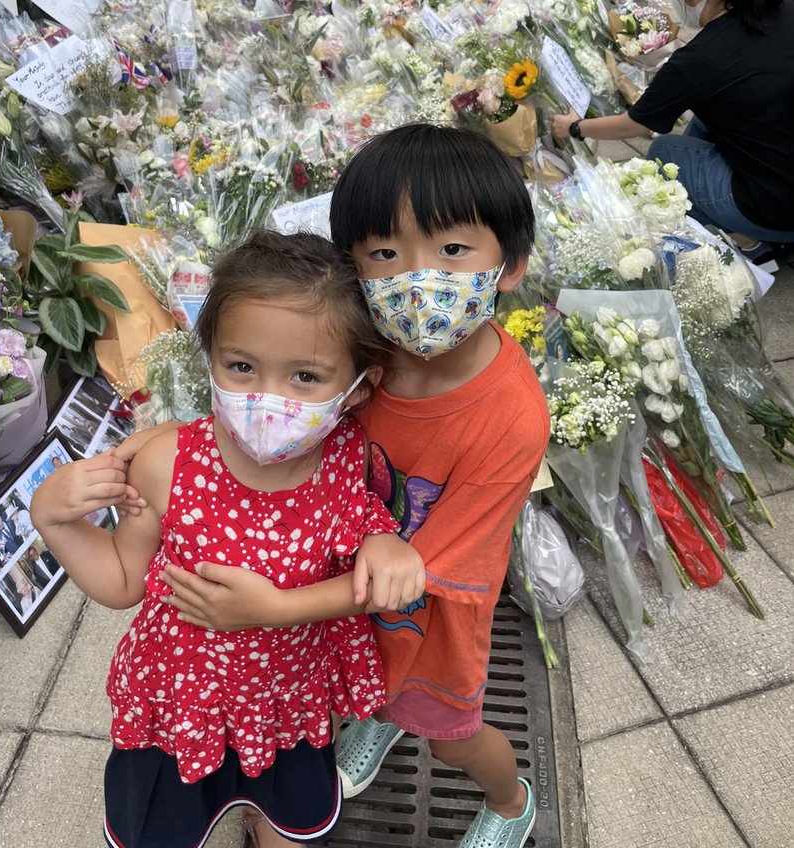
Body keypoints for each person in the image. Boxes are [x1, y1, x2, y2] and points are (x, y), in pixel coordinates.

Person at [149, 125, 551, 848]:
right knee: (359, 685)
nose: (417, 277)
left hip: (429, 622)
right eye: (385, 254)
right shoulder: (364, 353)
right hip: (343, 594)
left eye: (452, 251)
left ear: (512, 263)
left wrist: (273, 609)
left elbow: (433, 571)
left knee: (451, 739)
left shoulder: (511, 417)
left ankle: (511, 798)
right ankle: (375, 715)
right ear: (353, 266)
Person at [32, 230, 425, 848]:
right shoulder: (167, 463)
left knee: (287, 819)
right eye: (241, 367)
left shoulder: (344, 453)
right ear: (208, 354)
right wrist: (52, 518)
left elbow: (360, 518)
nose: (268, 399)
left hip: (289, 701)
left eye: (305, 376)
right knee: (165, 823)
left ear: (359, 387)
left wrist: (384, 541)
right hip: (183, 703)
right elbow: (122, 580)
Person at [552, 0, 794, 249]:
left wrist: (576, 127)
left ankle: (753, 238)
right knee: (711, 114)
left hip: (779, 211)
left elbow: (634, 124)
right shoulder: (787, 8)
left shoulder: (701, 59)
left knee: (666, 153)